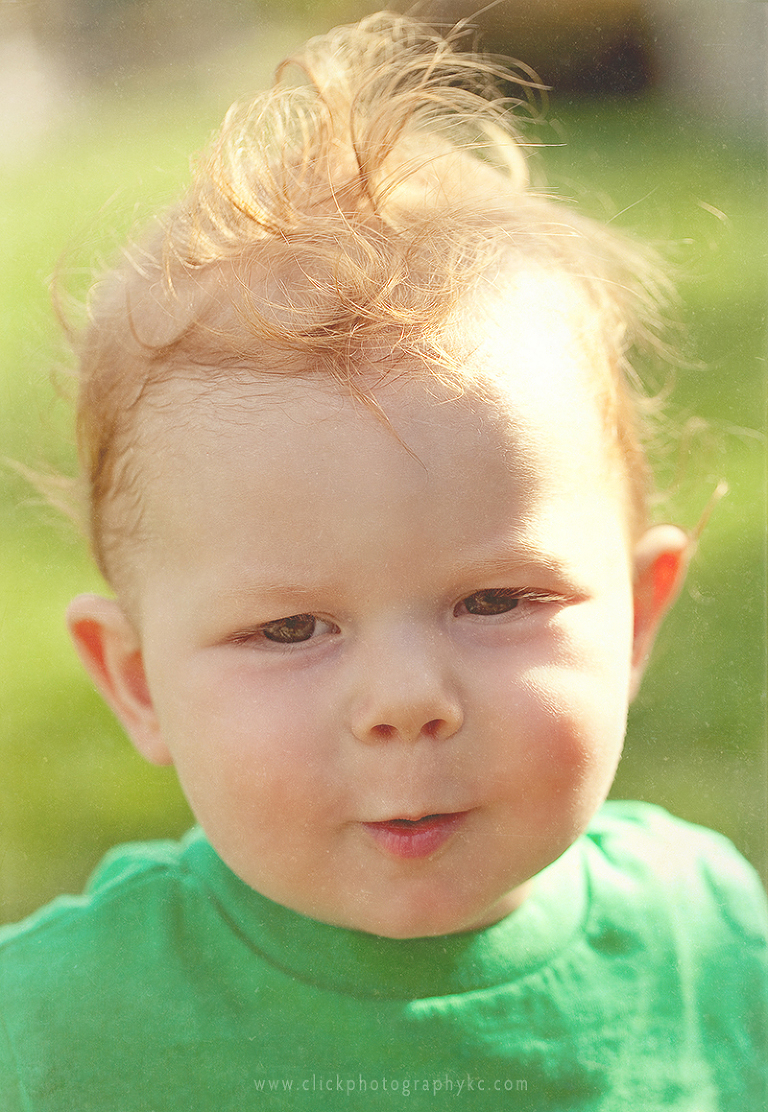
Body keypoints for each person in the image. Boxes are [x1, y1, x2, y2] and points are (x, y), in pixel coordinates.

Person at [1, 12, 765, 1110]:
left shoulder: (709, 938)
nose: (407, 701)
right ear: (137, 682)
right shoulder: (51, 1026)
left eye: (496, 599)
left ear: (637, 619)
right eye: (289, 628)